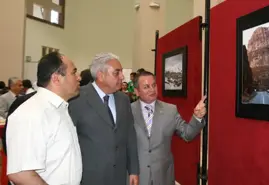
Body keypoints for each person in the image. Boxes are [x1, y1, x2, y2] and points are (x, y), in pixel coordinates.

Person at [6, 52, 82, 185]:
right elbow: (21, 174)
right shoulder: (32, 113)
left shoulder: (59, 109)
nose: (79, 77)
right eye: (74, 72)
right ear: (56, 78)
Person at [69, 52, 139, 185]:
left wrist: (133, 170)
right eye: (116, 73)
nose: (122, 76)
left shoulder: (123, 100)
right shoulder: (77, 99)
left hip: (119, 176)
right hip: (89, 177)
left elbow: (130, 136)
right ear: (101, 75)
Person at [131, 71, 207, 185]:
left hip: (163, 176)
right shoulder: (127, 111)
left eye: (154, 85)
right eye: (146, 87)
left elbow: (187, 134)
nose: (152, 90)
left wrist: (197, 117)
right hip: (136, 176)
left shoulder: (170, 110)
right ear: (137, 91)